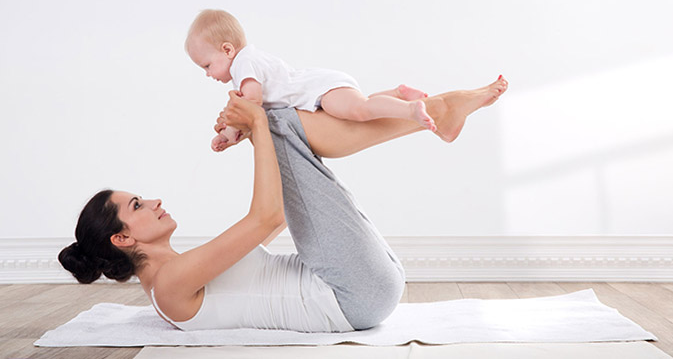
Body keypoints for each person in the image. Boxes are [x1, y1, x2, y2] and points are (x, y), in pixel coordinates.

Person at [58, 78, 508, 332]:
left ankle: (423, 113)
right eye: (137, 204)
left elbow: (271, 224)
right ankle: (427, 113)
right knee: (275, 119)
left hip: (356, 284)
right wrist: (256, 125)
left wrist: (264, 137)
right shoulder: (170, 284)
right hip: (353, 293)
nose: (154, 200)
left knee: (279, 127)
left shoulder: (178, 270)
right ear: (122, 237)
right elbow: (268, 215)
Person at [184, 9, 437, 153]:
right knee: (362, 105)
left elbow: (253, 101)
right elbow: (249, 113)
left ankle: (409, 110)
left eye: (207, 65)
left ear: (228, 49)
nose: (208, 73)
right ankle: (397, 94)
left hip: (320, 89)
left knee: (359, 111)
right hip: (318, 89)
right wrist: (229, 135)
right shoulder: (244, 66)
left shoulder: (244, 64)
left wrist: (233, 117)